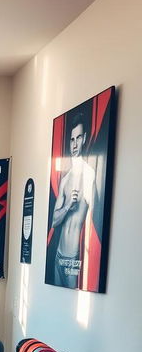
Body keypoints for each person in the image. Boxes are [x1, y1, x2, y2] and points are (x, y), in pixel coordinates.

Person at [50, 111, 98, 288]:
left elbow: (95, 218)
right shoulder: (65, 179)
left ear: (84, 138)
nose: (75, 144)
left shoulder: (89, 174)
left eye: (78, 138)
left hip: (73, 259)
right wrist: (69, 205)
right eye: (72, 139)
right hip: (58, 256)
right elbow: (54, 222)